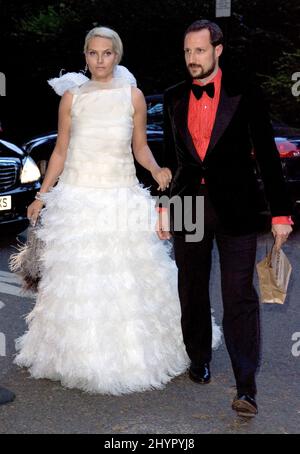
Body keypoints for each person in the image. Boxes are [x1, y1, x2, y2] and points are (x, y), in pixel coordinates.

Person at [13, 26, 222, 395]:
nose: (100, 60)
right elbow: (60, 151)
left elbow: (140, 147)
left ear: (117, 55)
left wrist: (156, 169)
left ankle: (145, 353)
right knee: (77, 282)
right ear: (85, 56)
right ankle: (76, 357)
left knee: (128, 280)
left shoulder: (133, 96)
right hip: (78, 198)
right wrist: (42, 195)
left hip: (120, 196)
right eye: (93, 53)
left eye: (107, 53)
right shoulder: (71, 98)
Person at [156, 19, 293, 417]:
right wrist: (164, 204)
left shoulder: (244, 92)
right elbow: (172, 157)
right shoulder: (173, 96)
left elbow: (268, 155)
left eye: (199, 51)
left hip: (236, 205)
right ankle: (197, 357)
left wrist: (281, 212)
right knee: (191, 286)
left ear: (218, 50)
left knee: (239, 296)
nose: (192, 59)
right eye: (187, 52)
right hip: (187, 204)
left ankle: (246, 386)